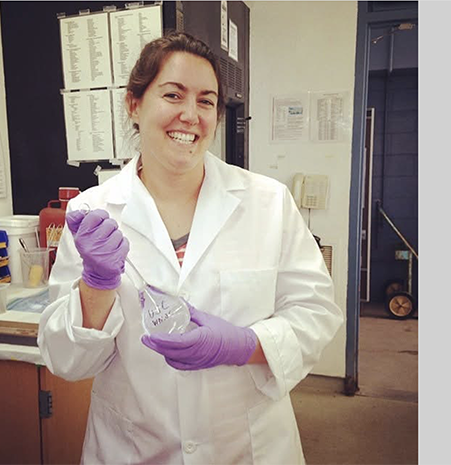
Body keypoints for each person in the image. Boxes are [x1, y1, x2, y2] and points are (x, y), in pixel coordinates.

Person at [38, 32, 343, 464]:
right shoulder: (92, 213)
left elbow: (316, 313)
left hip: (247, 447)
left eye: (206, 101)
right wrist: (97, 285)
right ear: (134, 104)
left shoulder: (268, 202)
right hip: (134, 446)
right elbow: (66, 360)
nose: (190, 114)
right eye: (173, 94)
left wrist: (244, 345)